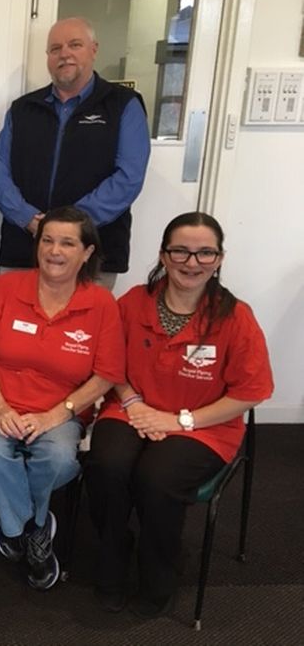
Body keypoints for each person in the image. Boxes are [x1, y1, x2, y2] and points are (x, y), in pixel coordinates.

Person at [85, 212, 273, 617]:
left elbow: (251, 392)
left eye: (205, 253)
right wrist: (134, 403)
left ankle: (159, 574)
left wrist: (179, 421)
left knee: (157, 479)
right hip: (131, 408)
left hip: (205, 425)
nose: (192, 263)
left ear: (220, 259)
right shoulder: (133, 302)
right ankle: (113, 560)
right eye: (181, 251)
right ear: (163, 255)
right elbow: (108, 362)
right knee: (107, 465)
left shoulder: (236, 317)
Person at [0, 206, 125, 591]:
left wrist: (57, 414)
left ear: (87, 253)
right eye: (48, 240)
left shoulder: (102, 304)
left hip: (62, 407)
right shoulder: (5, 288)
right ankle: (29, 528)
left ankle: (21, 527)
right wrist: (0, 405)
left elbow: (107, 375)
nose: (55, 251)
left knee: (57, 458)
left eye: (68, 243)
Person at [0, 17, 151, 287]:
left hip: (93, 250)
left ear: (94, 49)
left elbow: (129, 177)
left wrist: (68, 226)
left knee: (82, 328)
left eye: (75, 45)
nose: (64, 54)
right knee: (16, 327)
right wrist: (28, 218)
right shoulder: (22, 109)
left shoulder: (123, 104)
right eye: (55, 48)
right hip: (24, 248)